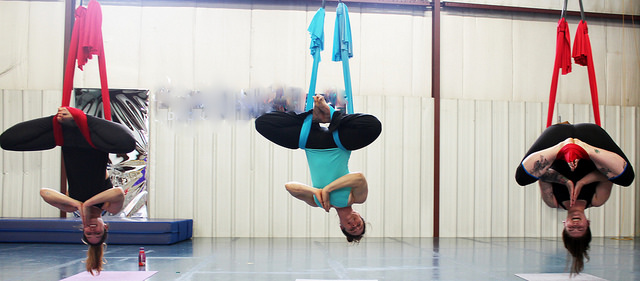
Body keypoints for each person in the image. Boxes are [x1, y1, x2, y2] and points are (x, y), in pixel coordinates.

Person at [0, 107, 136, 275]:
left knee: (7, 141)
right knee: (128, 143)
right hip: (94, 139)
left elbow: (45, 192)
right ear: (105, 226)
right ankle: (81, 118)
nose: (92, 229)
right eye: (98, 232)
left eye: (89, 233)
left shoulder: (70, 207)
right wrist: (87, 203)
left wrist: (77, 204)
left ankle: (56, 119)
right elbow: (118, 193)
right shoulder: (109, 208)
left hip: (67, 139)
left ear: (83, 229)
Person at [255, 94, 381, 243]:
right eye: (358, 224)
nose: (354, 224)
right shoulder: (357, 198)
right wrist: (326, 190)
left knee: (263, 123)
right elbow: (358, 178)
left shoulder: (318, 202)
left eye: (352, 228)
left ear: (342, 227)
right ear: (360, 216)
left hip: (310, 141)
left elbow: (289, 187)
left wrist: (316, 192)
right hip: (339, 142)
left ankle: (311, 116)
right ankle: (330, 116)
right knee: (373, 126)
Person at [515, 122, 634, 275]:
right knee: (627, 178)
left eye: (571, 228)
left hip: (557, 137)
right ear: (587, 223)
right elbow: (608, 175)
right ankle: (585, 149)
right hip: (591, 137)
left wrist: (565, 181)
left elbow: (542, 176)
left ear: (565, 224)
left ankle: (562, 147)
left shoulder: (553, 201)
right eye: (581, 228)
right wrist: (584, 181)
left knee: (521, 178)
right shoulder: (597, 199)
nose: (576, 224)